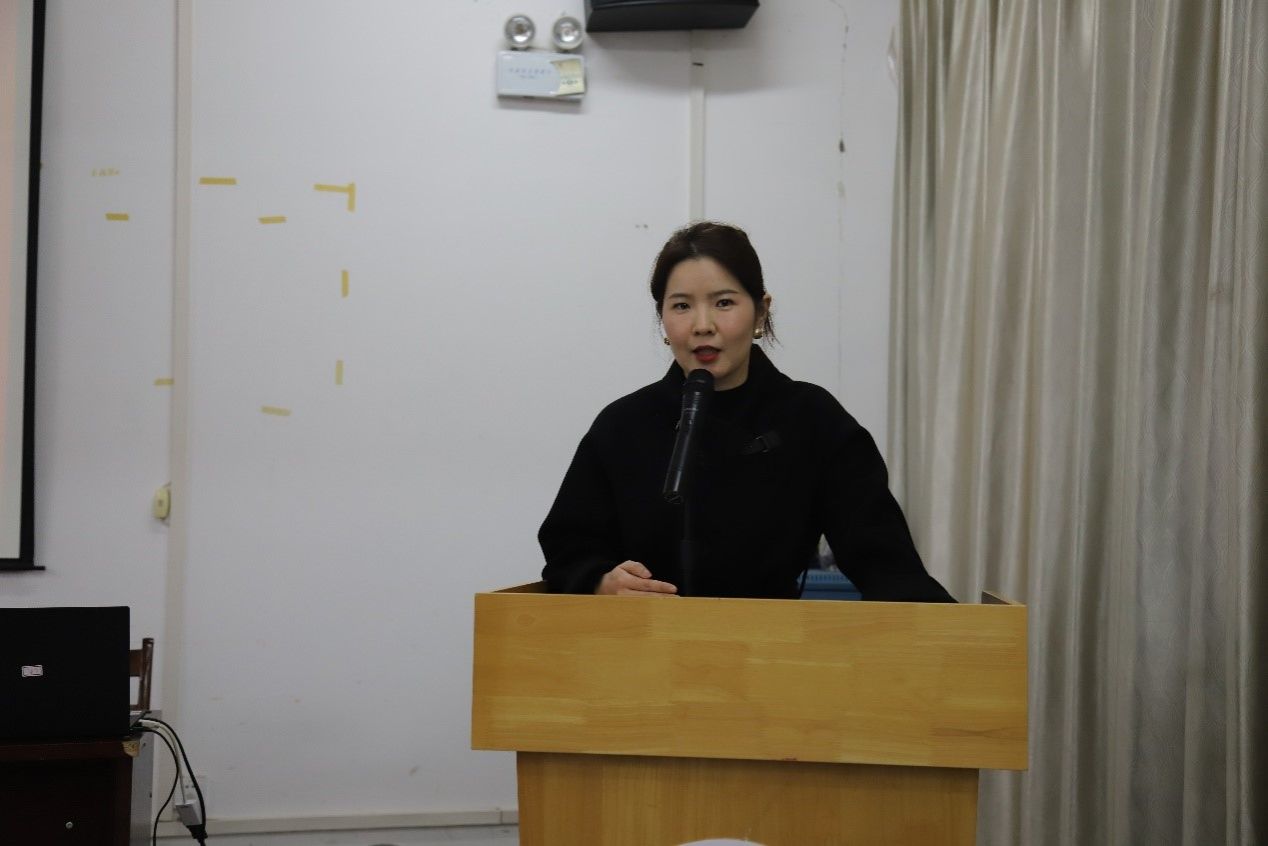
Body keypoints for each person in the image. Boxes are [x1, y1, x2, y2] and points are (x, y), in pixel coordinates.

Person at [538, 222, 953, 602]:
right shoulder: (623, 425)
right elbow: (568, 550)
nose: (702, 324)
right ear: (662, 318)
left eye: (723, 302)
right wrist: (600, 582)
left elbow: (886, 562)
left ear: (761, 310)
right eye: (681, 306)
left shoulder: (812, 418)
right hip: (641, 646)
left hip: (771, 647)